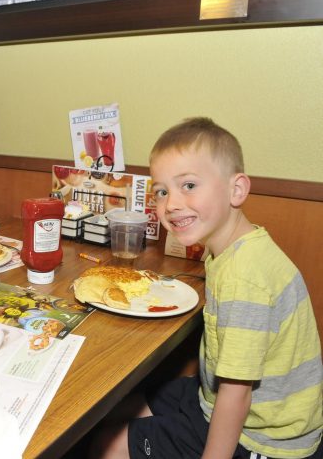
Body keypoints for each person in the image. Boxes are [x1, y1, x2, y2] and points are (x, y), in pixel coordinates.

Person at [90, 117, 323, 459]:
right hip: (219, 399)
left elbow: (236, 394)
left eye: (188, 186)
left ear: (236, 189)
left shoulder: (245, 277)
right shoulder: (232, 248)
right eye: (162, 191)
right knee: (128, 403)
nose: (170, 204)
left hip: (264, 438)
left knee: (107, 445)